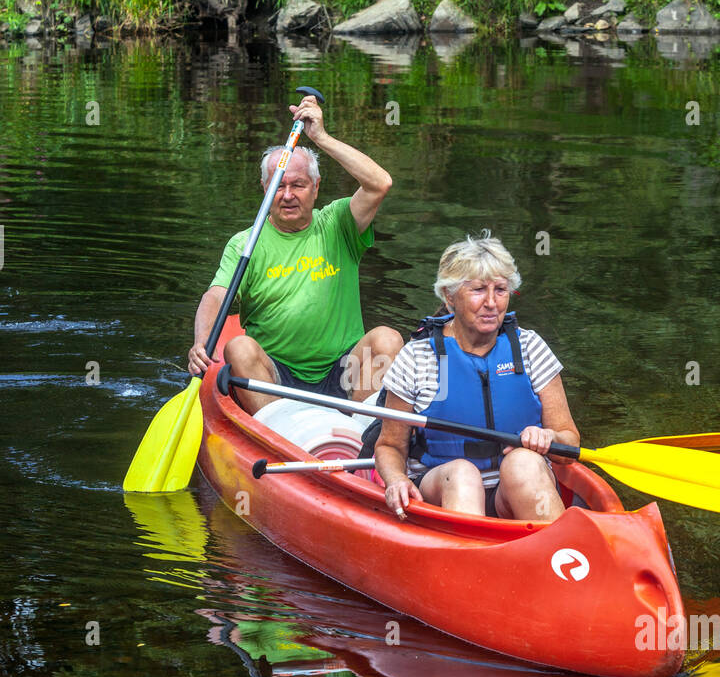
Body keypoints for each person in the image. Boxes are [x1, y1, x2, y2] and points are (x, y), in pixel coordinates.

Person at [187, 94, 402, 414]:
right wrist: (202, 343)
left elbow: (379, 183)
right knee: (238, 347)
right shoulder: (245, 242)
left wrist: (321, 137)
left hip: (343, 371)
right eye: (278, 185)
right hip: (274, 377)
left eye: (298, 185)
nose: (287, 195)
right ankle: (279, 432)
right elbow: (216, 297)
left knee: (387, 338)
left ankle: (360, 433)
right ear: (264, 189)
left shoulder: (339, 223)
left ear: (316, 187)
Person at [374, 233, 578, 522]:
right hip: (442, 488)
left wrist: (550, 437)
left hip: (512, 491)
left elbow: (569, 445)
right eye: (479, 290)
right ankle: (471, 555)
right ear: (449, 297)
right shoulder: (417, 357)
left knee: (524, 462)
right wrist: (396, 479)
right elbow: (389, 446)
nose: (492, 303)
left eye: (501, 290)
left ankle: (555, 552)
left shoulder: (530, 347)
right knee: (462, 474)